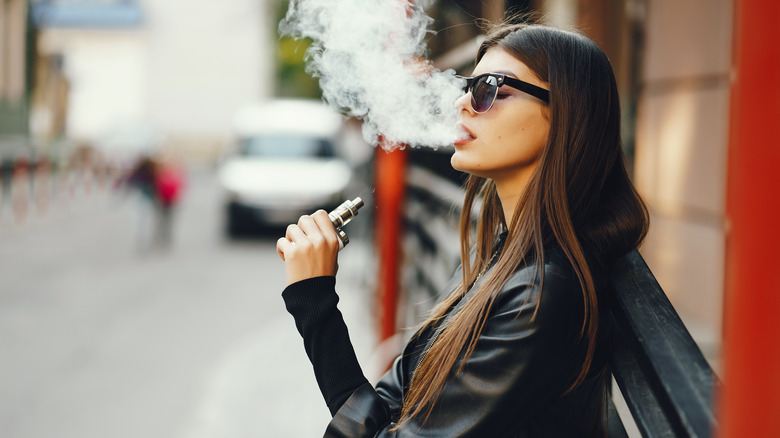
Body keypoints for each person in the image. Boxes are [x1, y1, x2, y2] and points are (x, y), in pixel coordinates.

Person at [276, 22, 649, 437]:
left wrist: (315, 303)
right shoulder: (504, 256)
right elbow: (389, 405)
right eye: (468, 87)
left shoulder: (540, 296)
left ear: (564, 113)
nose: (463, 105)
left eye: (491, 89)